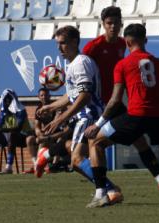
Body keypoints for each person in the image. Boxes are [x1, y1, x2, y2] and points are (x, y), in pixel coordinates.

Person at [84, 23, 159, 207]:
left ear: (126, 42)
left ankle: (101, 193)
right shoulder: (158, 64)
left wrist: (98, 124)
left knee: (96, 142)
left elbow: (115, 100)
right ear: (146, 40)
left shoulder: (123, 64)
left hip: (136, 116)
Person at [83, 6, 159, 193]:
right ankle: (103, 190)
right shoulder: (92, 47)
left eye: (116, 23)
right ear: (103, 24)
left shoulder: (122, 44)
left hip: (114, 103)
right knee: (88, 147)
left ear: (121, 24)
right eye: (109, 23)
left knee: (138, 140)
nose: (113, 26)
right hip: (98, 103)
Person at [36, 25, 123, 205]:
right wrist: (51, 107)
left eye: (63, 43)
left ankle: (108, 189)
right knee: (75, 155)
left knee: (76, 159)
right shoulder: (73, 64)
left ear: (75, 42)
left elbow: (84, 96)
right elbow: (72, 95)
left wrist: (61, 118)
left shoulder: (81, 63)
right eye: (58, 44)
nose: (60, 48)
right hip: (86, 115)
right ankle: (109, 189)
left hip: (88, 115)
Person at [0, 89, 36, 175]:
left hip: (23, 136)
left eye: (9, 99)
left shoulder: (21, 110)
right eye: (5, 99)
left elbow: (18, 128)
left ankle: (8, 168)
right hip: (8, 136)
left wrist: (1, 129)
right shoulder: (3, 111)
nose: (7, 101)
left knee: (12, 135)